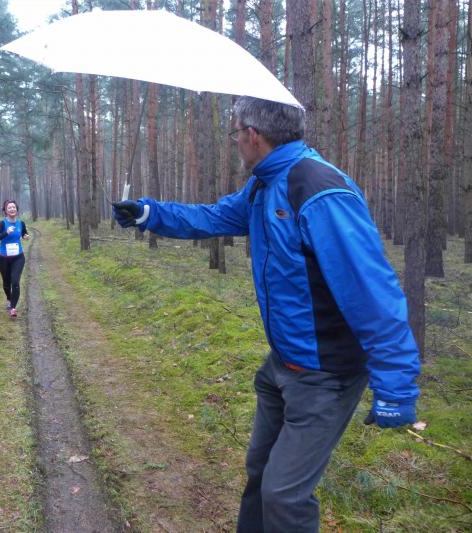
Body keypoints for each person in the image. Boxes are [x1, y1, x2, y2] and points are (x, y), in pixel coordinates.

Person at [112, 96, 420, 533]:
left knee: (285, 495)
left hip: (325, 374)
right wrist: (149, 213)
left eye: (236, 133)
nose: (235, 142)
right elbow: (215, 217)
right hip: (283, 365)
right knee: (260, 472)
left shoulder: (317, 190)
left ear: (253, 135)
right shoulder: (265, 183)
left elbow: (373, 291)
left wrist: (396, 385)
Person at [0, 200, 30, 318]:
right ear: (6, 211)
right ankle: (9, 298)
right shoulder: (2, 224)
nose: (12, 209)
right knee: (6, 283)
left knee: (15, 282)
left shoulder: (21, 223)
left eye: (14, 207)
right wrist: (6, 233)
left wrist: (25, 236)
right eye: (9, 208)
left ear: (16, 209)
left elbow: (24, 234)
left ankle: (13, 307)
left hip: (18, 257)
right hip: (4, 259)